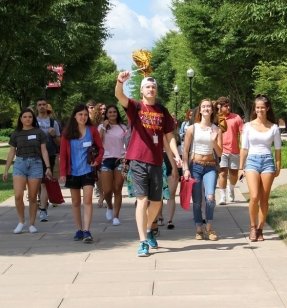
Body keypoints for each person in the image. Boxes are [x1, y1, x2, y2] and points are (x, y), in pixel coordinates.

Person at [115, 72, 181, 257]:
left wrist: (176, 156)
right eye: (147, 87)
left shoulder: (162, 111)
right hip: (137, 160)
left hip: (157, 161)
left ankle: (148, 229)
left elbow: (169, 136)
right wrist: (120, 81)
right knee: (142, 200)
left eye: (153, 87)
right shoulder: (135, 107)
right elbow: (119, 96)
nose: (151, 89)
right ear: (142, 90)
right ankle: (143, 241)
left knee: (156, 202)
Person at [239, 95, 281, 242]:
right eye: (257, 107)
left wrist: (278, 165)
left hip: (268, 162)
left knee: (264, 198)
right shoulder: (248, 126)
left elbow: (277, 149)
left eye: (262, 107)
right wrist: (240, 167)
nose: (260, 110)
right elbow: (244, 148)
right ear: (254, 109)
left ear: (267, 108)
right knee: (255, 196)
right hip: (252, 161)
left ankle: (260, 229)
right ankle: (252, 226)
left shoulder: (274, 127)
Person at [2, 108, 52, 234]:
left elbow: (44, 150)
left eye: (30, 116)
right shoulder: (16, 134)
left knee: (32, 196)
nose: (27, 119)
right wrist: (6, 169)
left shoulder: (39, 132)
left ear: (33, 119)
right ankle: (21, 221)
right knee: (18, 196)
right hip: (20, 164)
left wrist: (48, 167)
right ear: (21, 119)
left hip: (35, 164)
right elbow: (12, 151)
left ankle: (31, 224)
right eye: (25, 117)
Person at [59, 104, 104, 243]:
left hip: (88, 171)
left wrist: (97, 161)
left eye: (85, 115)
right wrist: (62, 173)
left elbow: (101, 149)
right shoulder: (67, 133)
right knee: (76, 202)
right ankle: (78, 229)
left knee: (88, 200)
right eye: (80, 114)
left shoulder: (92, 130)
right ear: (75, 116)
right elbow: (63, 155)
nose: (83, 117)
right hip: (72, 172)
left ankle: (87, 230)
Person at [182, 98, 222, 241]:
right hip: (195, 166)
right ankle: (199, 228)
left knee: (210, 198)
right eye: (203, 106)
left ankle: (209, 228)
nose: (206, 108)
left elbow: (220, 153)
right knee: (197, 200)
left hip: (210, 167)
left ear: (212, 110)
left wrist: (213, 141)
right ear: (200, 110)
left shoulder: (216, 129)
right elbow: (185, 151)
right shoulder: (192, 128)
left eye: (208, 106)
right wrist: (186, 168)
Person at [98, 104, 129, 226]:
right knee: (107, 190)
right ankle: (109, 207)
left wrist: (126, 158)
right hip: (106, 160)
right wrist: (104, 128)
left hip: (119, 159)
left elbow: (127, 143)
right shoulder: (102, 126)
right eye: (109, 112)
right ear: (106, 114)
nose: (112, 114)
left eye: (114, 112)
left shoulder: (123, 127)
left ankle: (116, 216)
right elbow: (99, 142)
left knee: (118, 189)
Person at [36, 98, 61, 221]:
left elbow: (59, 142)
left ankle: (43, 209)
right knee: (38, 183)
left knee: (45, 182)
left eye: (43, 104)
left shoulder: (53, 123)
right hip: (35, 155)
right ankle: (41, 203)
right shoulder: (32, 121)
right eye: (39, 105)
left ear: (47, 106)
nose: (41, 107)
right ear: (37, 107)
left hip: (50, 154)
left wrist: (54, 135)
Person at [217, 97, 243, 204]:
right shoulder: (216, 118)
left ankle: (231, 189)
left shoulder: (236, 117)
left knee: (233, 174)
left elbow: (242, 133)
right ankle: (223, 196)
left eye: (229, 105)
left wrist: (243, 148)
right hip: (221, 151)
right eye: (225, 106)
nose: (228, 107)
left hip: (234, 151)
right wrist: (218, 115)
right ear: (220, 107)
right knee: (222, 173)